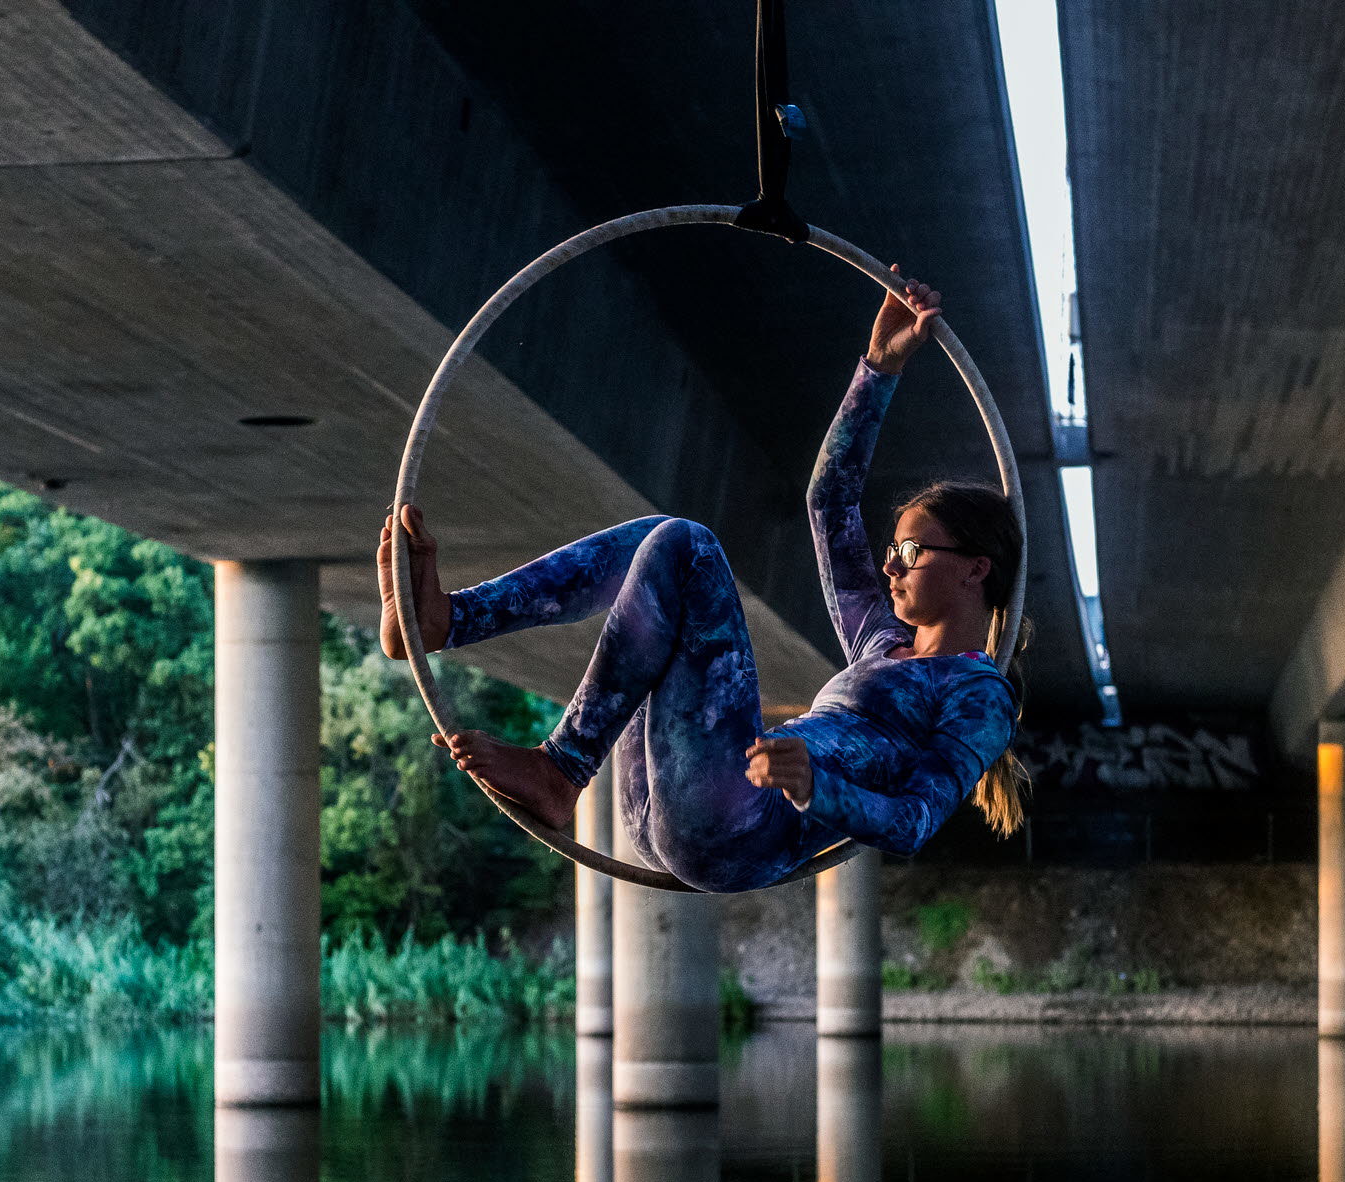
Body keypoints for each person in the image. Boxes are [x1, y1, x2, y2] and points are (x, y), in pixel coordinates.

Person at [376, 273, 1025, 893]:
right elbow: (831, 501)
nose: (890, 565)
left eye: (910, 550)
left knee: (687, 547)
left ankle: (563, 767)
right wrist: (878, 368)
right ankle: (447, 621)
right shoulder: (880, 642)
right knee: (655, 544)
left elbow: (914, 821)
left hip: (742, 825)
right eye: (892, 549)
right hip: (662, 805)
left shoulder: (977, 691)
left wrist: (814, 788)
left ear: (975, 568)